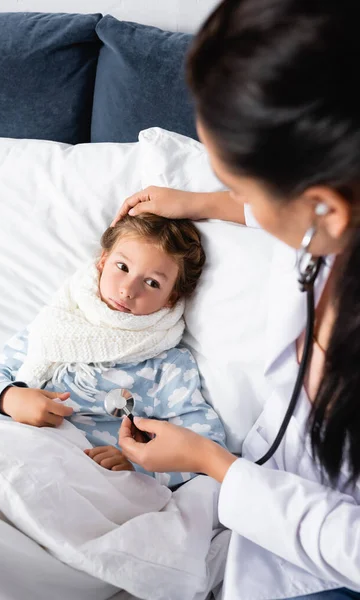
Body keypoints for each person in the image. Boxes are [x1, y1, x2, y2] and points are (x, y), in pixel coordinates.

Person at [116, 1, 360, 599]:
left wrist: (215, 465)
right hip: (255, 519)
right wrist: (200, 202)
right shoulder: (331, 216)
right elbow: (280, 206)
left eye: (239, 183)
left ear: (325, 208)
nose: (237, 200)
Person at [0, 214, 226, 488]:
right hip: (8, 442)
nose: (128, 290)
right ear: (103, 261)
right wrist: (8, 398)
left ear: (171, 298)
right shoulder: (54, 323)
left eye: (152, 282)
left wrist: (136, 466)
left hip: (82, 477)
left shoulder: (166, 365)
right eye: (122, 266)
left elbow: (206, 445)